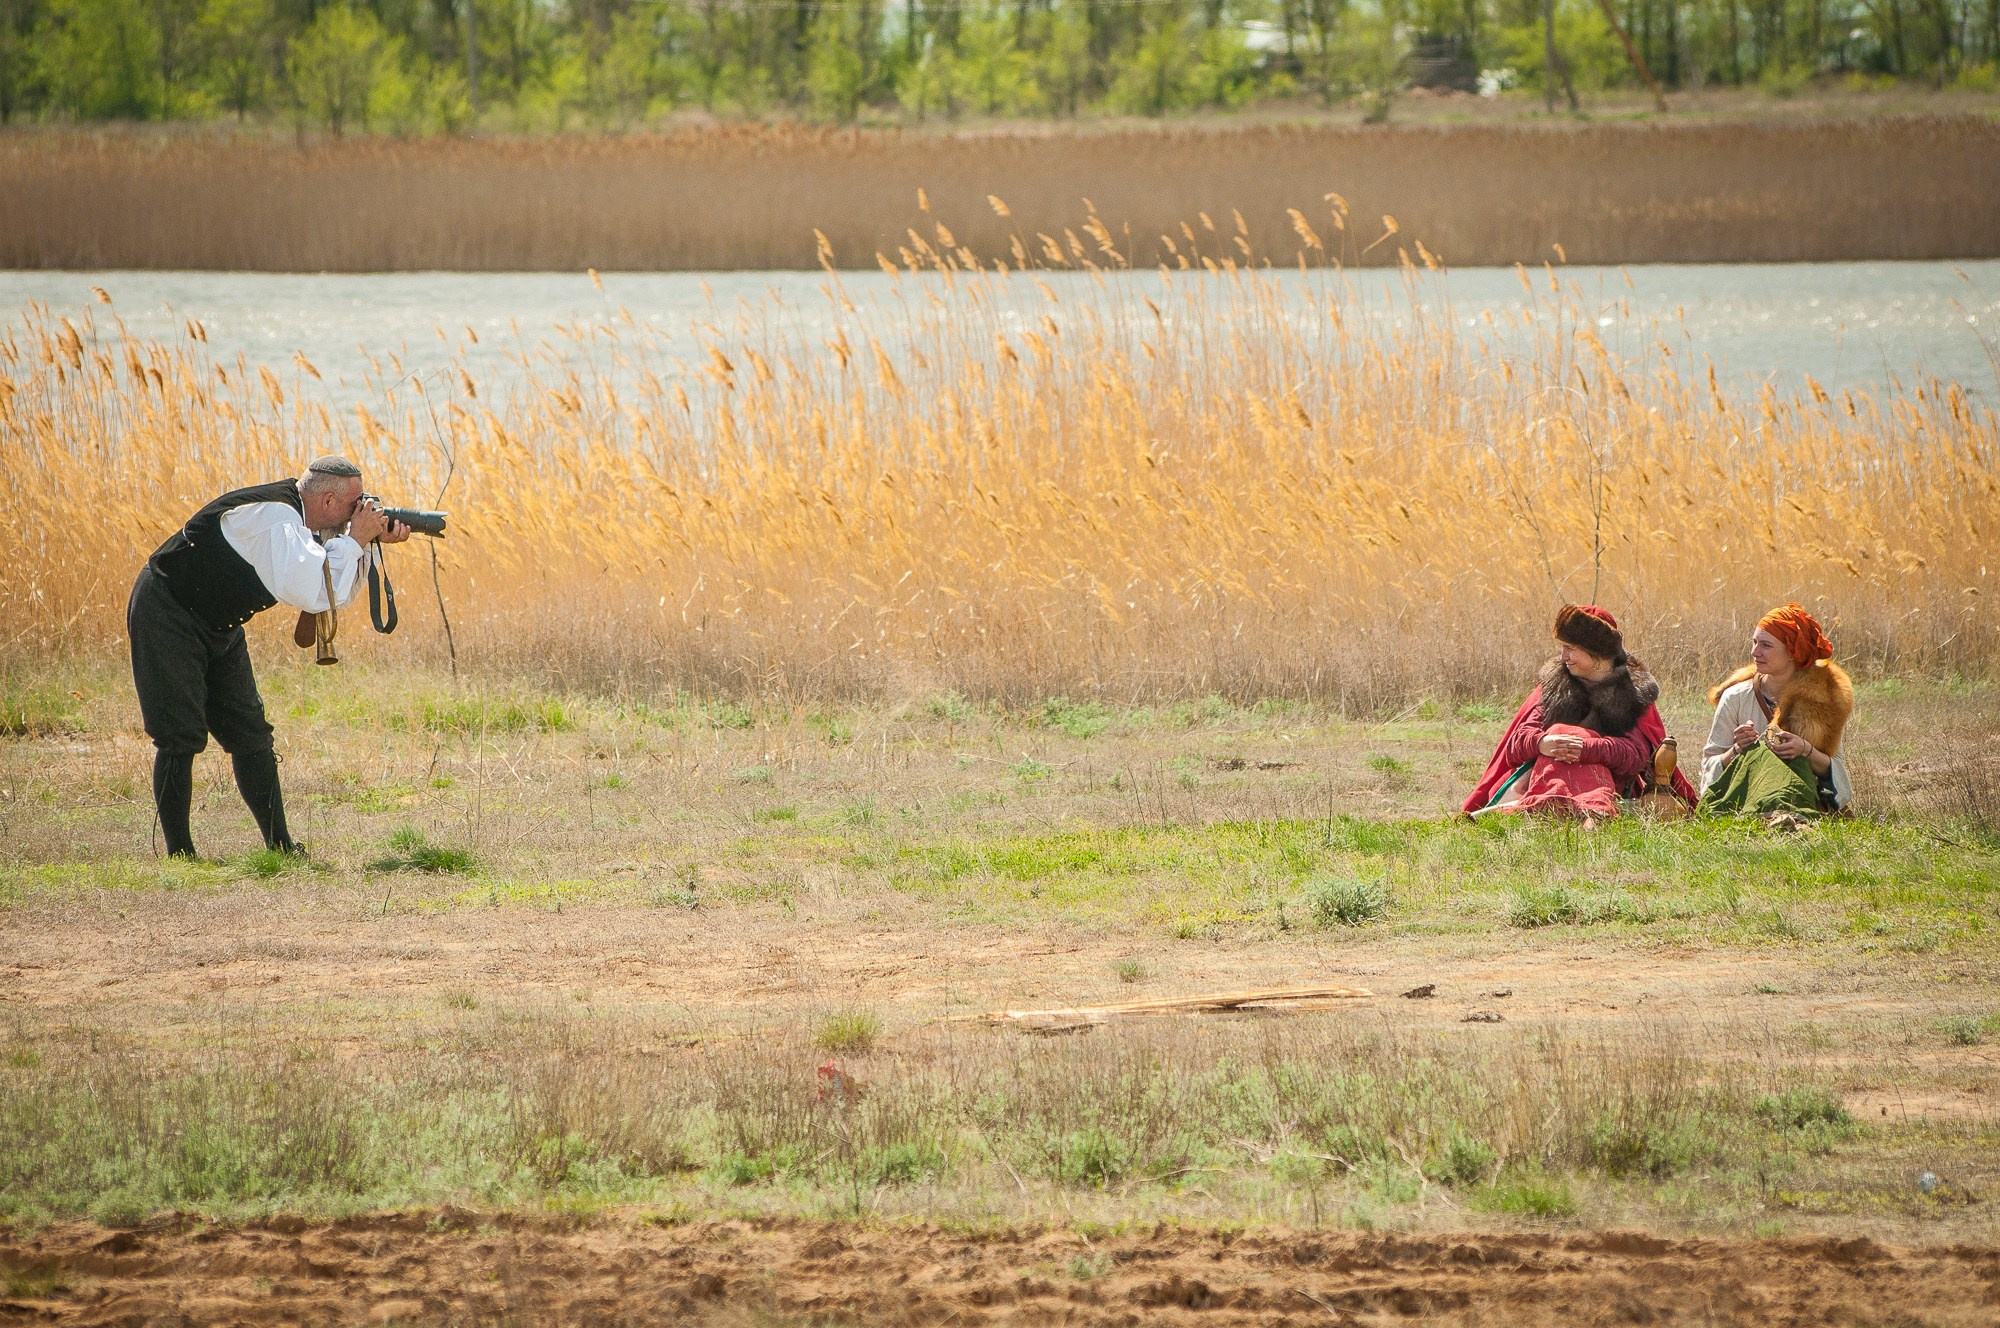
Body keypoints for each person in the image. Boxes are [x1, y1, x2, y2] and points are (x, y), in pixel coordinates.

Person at [128, 456, 410, 858]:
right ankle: (180, 856)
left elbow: (333, 592)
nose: (357, 513)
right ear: (328, 500)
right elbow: (313, 589)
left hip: (219, 623)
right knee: (179, 737)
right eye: (354, 506)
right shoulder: (278, 521)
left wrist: (364, 545)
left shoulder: (304, 523)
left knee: (251, 735)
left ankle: (281, 848)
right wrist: (355, 540)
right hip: (167, 610)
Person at [1463, 605, 1696, 823]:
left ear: (1597, 652)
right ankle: (1575, 811)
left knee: (1570, 737)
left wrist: (1584, 749)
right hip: (1541, 777)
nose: (1563, 657)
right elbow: (1516, 745)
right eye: (1563, 648)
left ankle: (1536, 808)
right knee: (1559, 734)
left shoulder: (1631, 693)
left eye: (1571, 649)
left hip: (1607, 783)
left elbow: (1634, 757)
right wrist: (1543, 742)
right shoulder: (1555, 686)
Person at [1698, 604, 1853, 818]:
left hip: (1804, 800)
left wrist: (1805, 750)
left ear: (1793, 652)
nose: (1754, 652)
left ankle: (1791, 816)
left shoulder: (1822, 697)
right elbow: (1710, 764)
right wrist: (1737, 750)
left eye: (1766, 645)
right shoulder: (1735, 697)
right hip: (1745, 801)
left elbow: (1836, 771)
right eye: (1754, 642)